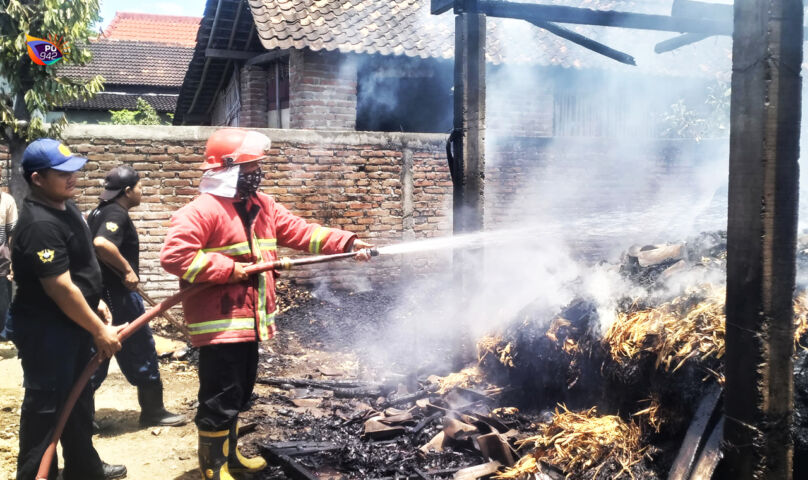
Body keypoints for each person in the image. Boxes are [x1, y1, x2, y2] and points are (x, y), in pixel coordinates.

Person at [160, 128, 373, 480]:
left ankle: (230, 458)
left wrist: (348, 243)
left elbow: (304, 232)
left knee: (239, 394)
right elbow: (175, 257)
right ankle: (213, 468)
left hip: (249, 323)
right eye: (250, 167)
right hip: (219, 327)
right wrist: (230, 269)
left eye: (258, 167)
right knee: (220, 398)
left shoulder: (262, 205)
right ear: (227, 169)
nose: (257, 173)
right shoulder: (200, 211)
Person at [9, 138, 126, 479]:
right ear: (37, 179)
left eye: (73, 170)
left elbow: (79, 267)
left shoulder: (66, 206)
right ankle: (35, 474)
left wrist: (95, 300)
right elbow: (59, 287)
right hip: (48, 333)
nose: (72, 177)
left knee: (78, 404)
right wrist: (99, 329)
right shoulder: (39, 224)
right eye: (62, 173)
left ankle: (84, 468)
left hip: (73, 324)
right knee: (46, 411)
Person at [87, 165, 186, 428]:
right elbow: (101, 244)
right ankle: (153, 412)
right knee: (141, 348)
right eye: (140, 187)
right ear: (128, 191)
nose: (142, 192)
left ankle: (82, 417)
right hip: (117, 297)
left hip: (100, 295)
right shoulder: (115, 213)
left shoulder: (98, 210)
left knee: (97, 353)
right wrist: (128, 269)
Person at [0, 176, 18, 341]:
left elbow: (12, 233)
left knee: (3, 300)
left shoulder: (7, 201)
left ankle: (2, 336)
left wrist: (13, 262)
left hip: (1, 261)